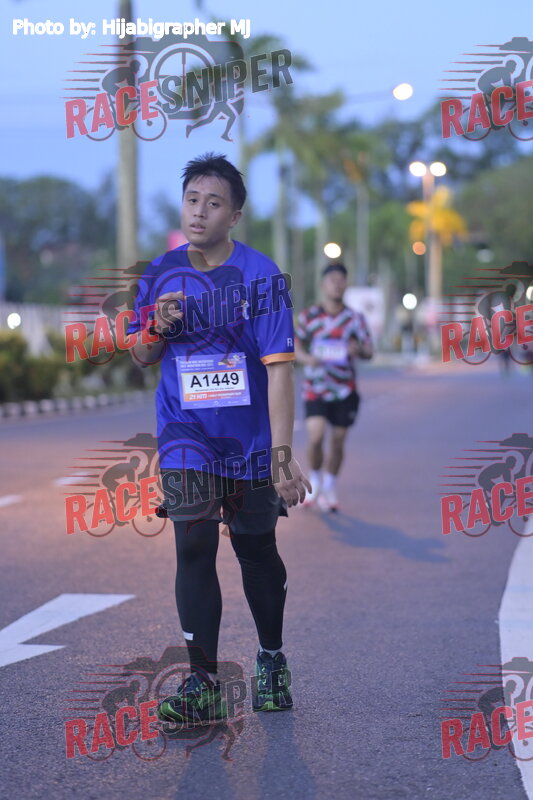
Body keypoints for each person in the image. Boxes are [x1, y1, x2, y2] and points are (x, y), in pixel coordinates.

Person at [127, 153, 310, 724]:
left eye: (213, 203)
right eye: (192, 200)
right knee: (192, 545)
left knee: (255, 549)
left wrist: (281, 455)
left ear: (234, 216)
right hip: (186, 436)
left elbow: (280, 370)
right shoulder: (160, 274)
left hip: (249, 441)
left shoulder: (261, 277)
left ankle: (271, 659)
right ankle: (202, 681)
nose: (199, 211)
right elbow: (141, 354)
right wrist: (157, 324)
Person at [295, 264, 373, 512]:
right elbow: (295, 346)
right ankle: (315, 480)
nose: (337, 285)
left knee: (338, 441)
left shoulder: (355, 319)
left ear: (346, 284)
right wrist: (308, 359)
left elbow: (369, 350)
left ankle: (329, 485)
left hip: (344, 390)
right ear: (323, 285)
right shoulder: (309, 317)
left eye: (341, 280)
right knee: (316, 437)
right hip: (316, 388)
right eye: (332, 280)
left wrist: (358, 350)